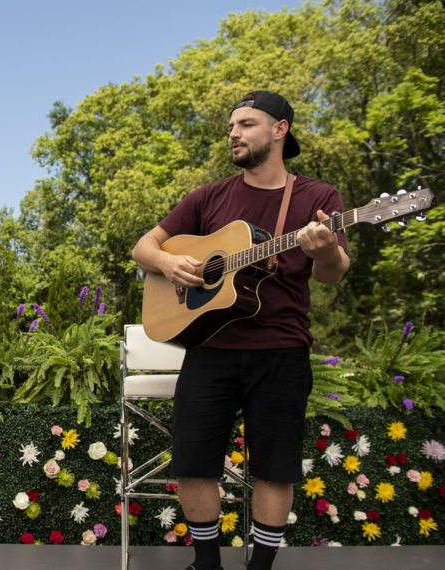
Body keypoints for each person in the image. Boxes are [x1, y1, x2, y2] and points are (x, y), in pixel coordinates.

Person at [132, 91, 350, 570]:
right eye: (232, 125)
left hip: (282, 349)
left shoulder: (318, 198)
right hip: (209, 347)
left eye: (246, 124)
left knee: (275, 465)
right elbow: (143, 247)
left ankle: (260, 567)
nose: (233, 133)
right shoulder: (209, 196)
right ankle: (206, 563)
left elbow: (332, 274)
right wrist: (169, 262)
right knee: (193, 459)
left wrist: (324, 250)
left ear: (279, 130)